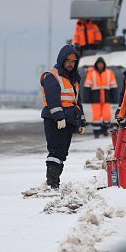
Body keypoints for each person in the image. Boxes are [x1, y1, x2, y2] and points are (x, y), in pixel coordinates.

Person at [41, 44, 86, 189]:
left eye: (73, 61)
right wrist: (59, 117)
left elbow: (76, 101)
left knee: (62, 153)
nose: (71, 64)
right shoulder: (52, 76)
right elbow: (52, 99)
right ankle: (52, 182)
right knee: (55, 151)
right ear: (62, 60)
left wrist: (81, 121)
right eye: (68, 60)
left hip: (69, 120)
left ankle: (55, 182)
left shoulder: (74, 79)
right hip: (55, 120)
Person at [83, 56, 118, 138]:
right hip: (95, 99)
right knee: (96, 117)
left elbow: (114, 87)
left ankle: (105, 130)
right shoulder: (91, 74)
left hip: (106, 98)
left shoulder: (109, 73)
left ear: (104, 64)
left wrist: (115, 98)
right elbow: (87, 87)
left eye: (101, 64)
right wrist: (87, 99)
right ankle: (96, 132)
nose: (100, 66)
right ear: (96, 65)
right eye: (99, 64)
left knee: (107, 116)